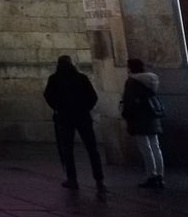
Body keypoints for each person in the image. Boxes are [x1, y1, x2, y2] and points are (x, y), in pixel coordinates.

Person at [43, 55, 106, 193]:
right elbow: (93, 96)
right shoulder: (81, 78)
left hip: (64, 117)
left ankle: (72, 179)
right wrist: (85, 108)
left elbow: (48, 96)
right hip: (83, 116)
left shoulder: (54, 79)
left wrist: (58, 108)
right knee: (92, 149)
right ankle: (99, 180)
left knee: (67, 149)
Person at [121, 57, 166, 188]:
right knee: (156, 146)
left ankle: (151, 175)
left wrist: (126, 115)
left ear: (130, 67)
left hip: (139, 117)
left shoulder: (132, 81)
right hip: (152, 115)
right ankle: (160, 175)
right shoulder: (152, 79)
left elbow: (129, 102)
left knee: (145, 148)